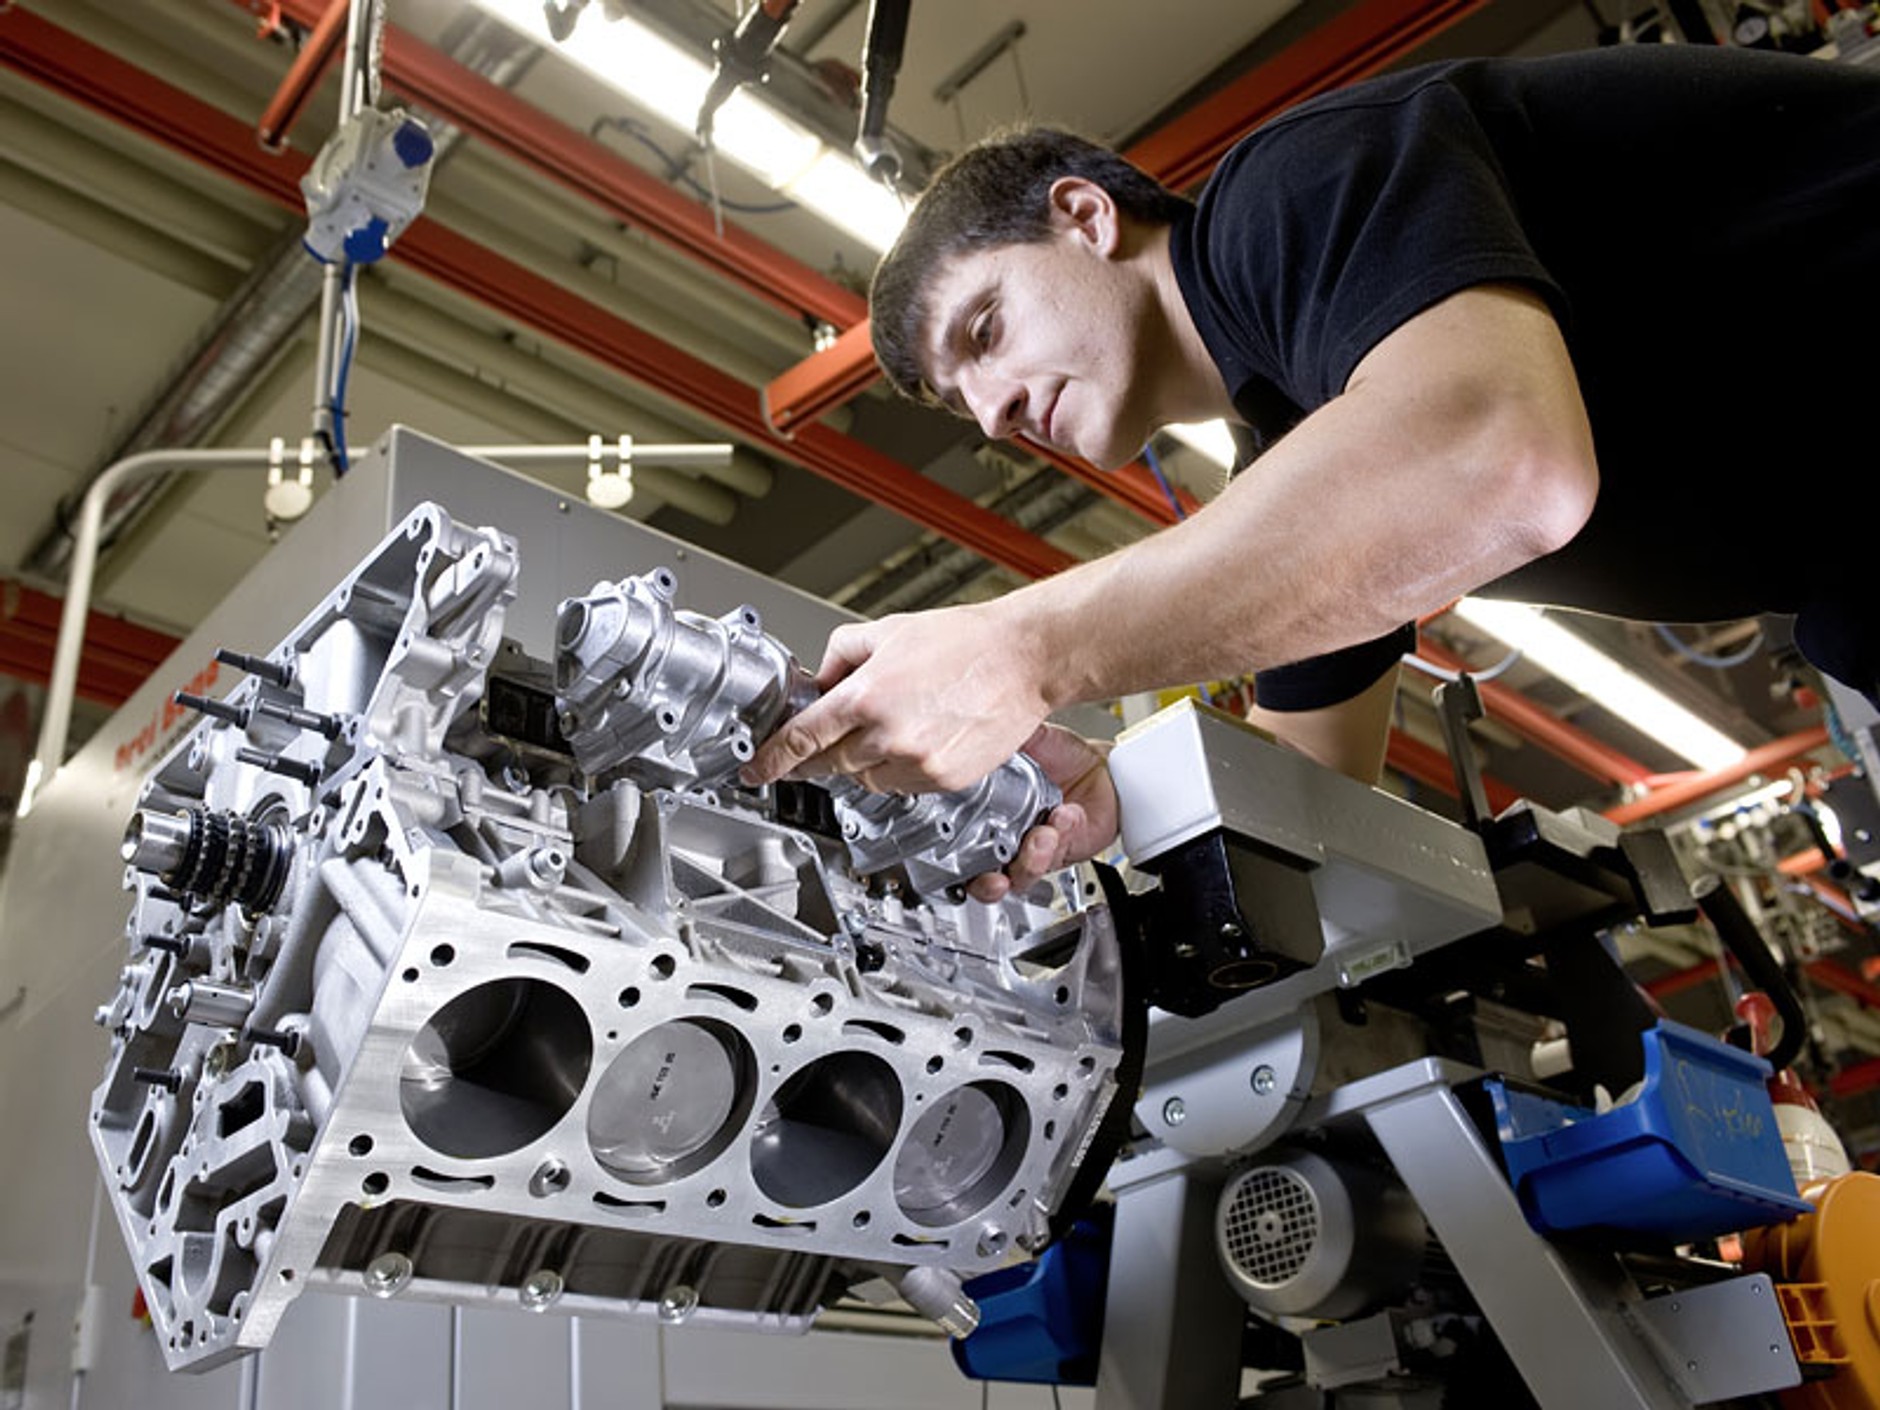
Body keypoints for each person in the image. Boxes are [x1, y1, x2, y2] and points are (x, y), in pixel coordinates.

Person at [742, 42, 1880, 898]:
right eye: (959, 406)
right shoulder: (1311, 473)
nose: (992, 416)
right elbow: (1316, 791)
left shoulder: (1286, 188)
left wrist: (1024, 646)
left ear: (1084, 217)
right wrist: (1107, 787)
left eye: (983, 332)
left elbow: (1498, 459)